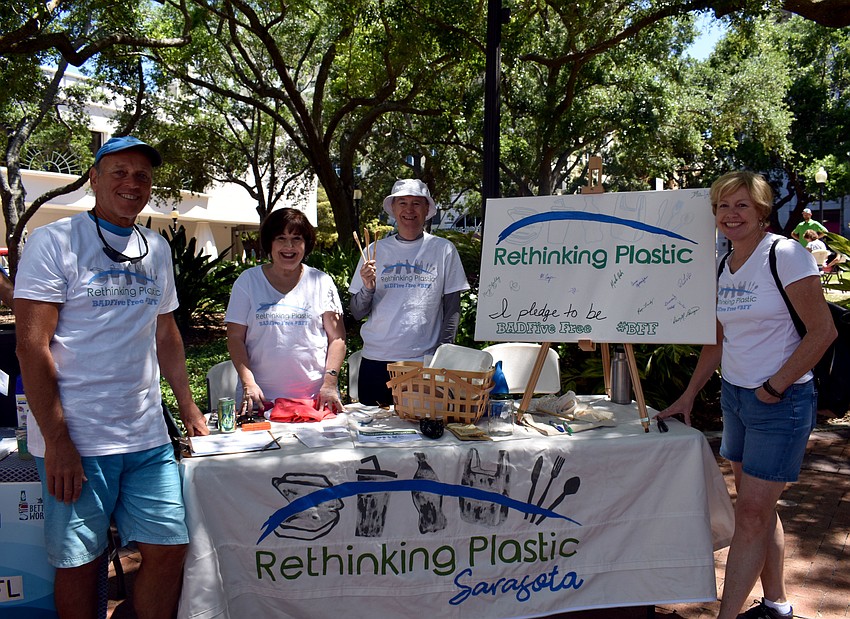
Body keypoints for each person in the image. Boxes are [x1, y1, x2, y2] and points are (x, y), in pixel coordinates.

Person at [14, 135, 209, 619]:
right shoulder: (55, 242)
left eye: (142, 175)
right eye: (119, 172)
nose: (131, 183)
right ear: (95, 178)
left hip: (146, 436)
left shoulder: (157, 249)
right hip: (77, 438)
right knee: (81, 563)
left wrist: (187, 406)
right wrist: (57, 438)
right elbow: (31, 346)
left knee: (169, 548)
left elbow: (166, 334)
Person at [658, 171, 836, 619]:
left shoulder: (786, 255)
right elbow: (716, 342)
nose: (730, 214)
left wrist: (774, 387)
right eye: (722, 206)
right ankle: (776, 605)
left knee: (753, 515)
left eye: (741, 205)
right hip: (736, 399)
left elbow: (823, 332)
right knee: (758, 510)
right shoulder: (725, 263)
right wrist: (688, 395)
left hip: (781, 402)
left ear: (761, 211)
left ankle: (727, 616)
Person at [348, 178, 470, 405]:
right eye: (402, 203)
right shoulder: (373, 250)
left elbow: (452, 308)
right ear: (393, 209)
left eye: (416, 203)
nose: (409, 210)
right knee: (374, 435)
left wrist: (442, 356)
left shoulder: (443, 249)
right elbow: (356, 312)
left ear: (427, 209)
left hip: (423, 362)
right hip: (376, 360)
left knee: (424, 432)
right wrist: (368, 288)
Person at [225, 208, 346, 414]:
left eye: (296, 238)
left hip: (316, 398)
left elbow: (337, 338)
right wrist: (248, 383)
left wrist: (330, 383)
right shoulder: (248, 281)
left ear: (305, 244)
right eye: (281, 238)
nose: (289, 246)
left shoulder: (321, 281)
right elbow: (235, 338)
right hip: (260, 399)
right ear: (269, 243)